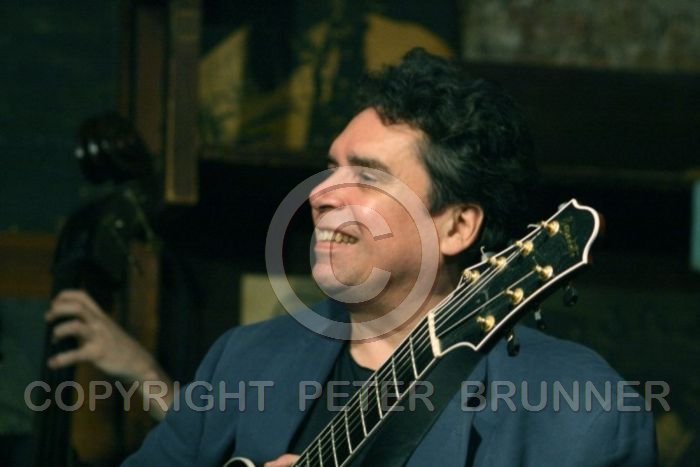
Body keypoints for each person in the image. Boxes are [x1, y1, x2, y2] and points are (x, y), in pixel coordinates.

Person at [102, 48, 657, 465]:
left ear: (456, 226)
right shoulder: (244, 360)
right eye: (330, 168)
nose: (321, 194)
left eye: (367, 177)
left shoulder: (582, 410)